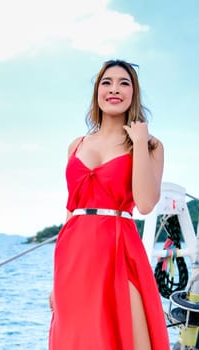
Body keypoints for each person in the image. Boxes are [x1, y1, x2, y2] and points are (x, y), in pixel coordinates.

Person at [48, 59, 170, 350]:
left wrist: (139, 143)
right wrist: (55, 281)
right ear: (97, 93)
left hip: (118, 247)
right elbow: (70, 210)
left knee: (130, 335)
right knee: (78, 336)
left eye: (123, 83)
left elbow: (144, 203)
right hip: (74, 252)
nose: (114, 89)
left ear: (133, 94)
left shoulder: (151, 145)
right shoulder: (76, 145)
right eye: (107, 82)